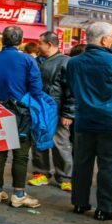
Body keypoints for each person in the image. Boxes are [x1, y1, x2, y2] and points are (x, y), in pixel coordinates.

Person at [0, 26, 42, 208]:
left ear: (2, 40)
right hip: (21, 113)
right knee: (21, 155)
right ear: (20, 41)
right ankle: (18, 194)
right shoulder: (27, 60)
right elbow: (36, 89)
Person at [66, 22, 112, 221]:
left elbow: (71, 88)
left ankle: (79, 203)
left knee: (81, 163)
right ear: (105, 39)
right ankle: (104, 208)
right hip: (110, 121)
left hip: (83, 119)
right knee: (107, 166)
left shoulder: (74, 62)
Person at [28, 32, 75, 192]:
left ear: (48, 44)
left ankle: (65, 177)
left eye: (40, 43)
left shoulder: (66, 62)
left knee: (60, 143)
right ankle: (41, 172)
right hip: (38, 108)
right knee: (38, 141)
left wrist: (68, 113)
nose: (38, 45)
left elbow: (71, 90)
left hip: (57, 109)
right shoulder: (36, 61)